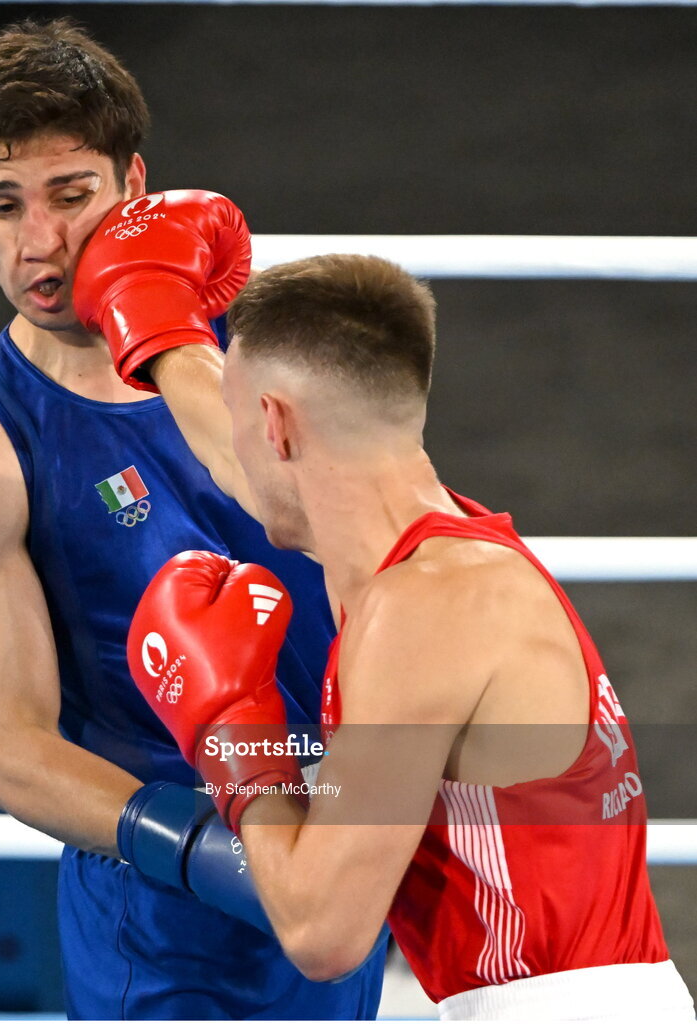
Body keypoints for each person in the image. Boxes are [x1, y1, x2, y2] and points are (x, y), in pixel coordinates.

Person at [0, 18, 385, 1021]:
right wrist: (215, 855)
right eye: (0, 205)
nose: (38, 243)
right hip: (161, 918)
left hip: (347, 861)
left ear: (133, 186)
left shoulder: (272, 349)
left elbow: (380, 550)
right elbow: (12, 751)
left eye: (70, 196)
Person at [112, 251, 696, 1021]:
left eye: (243, 417)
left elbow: (324, 933)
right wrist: (151, 323)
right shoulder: (420, 546)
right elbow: (238, 453)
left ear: (276, 424)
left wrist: (232, 733)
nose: (235, 451)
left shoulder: (427, 610)